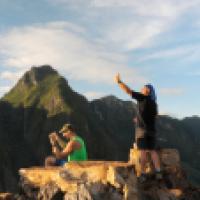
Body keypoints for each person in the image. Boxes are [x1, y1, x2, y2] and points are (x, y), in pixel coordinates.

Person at [115, 73, 162, 182]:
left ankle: (142, 174)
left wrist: (119, 82)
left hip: (142, 130)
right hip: (152, 131)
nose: (142, 88)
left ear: (148, 91)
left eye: (144, 87)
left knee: (143, 152)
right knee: (153, 151)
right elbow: (154, 116)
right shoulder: (154, 104)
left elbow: (128, 91)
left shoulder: (142, 98)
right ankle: (159, 172)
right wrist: (139, 118)